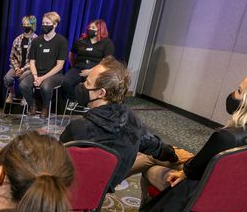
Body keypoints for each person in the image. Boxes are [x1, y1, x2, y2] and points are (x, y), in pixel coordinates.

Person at [139, 72, 247, 212]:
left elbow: (192, 171)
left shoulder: (227, 138)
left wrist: (184, 172)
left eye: (239, 91)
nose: (233, 95)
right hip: (239, 203)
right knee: (165, 156)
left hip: (200, 199)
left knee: (150, 166)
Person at [59, 56, 178, 190]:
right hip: (105, 187)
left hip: (70, 193)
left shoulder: (79, 128)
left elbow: (54, 162)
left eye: (87, 83)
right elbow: (155, 146)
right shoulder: (133, 121)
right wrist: (173, 156)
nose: (82, 86)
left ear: (100, 93)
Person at [21, 12, 68, 118]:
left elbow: (59, 66)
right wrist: (36, 76)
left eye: (47, 23)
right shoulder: (36, 41)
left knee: (45, 87)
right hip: (37, 72)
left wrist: (42, 78)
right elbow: (32, 62)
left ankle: (45, 107)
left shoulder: (61, 41)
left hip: (54, 74)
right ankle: (32, 105)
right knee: (23, 85)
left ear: (55, 24)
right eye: (43, 23)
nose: (45, 25)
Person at [61, 19, 115, 103]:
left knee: (93, 86)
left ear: (100, 29)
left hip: (96, 70)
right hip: (78, 68)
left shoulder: (107, 42)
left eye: (93, 27)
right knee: (65, 82)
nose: (90, 29)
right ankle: (74, 100)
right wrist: (74, 65)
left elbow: (107, 61)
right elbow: (71, 53)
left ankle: (89, 104)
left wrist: (91, 71)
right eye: (89, 27)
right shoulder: (81, 41)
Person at [3, 15, 37, 104]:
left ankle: (26, 96)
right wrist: (17, 68)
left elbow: (35, 60)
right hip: (17, 67)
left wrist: (23, 69)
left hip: (30, 68)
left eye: (28, 24)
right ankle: (12, 93)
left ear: (33, 25)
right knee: (7, 78)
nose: (25, 26)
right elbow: (12, 57)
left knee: (22, 78)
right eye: (24, 24)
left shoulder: (36, 40)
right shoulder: (17, 39)